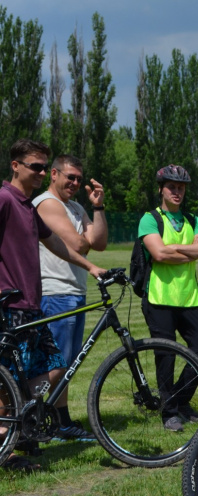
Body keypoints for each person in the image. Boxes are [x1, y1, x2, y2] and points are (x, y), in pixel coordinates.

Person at [0, 139, 105, 471]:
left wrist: (91, 267)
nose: (42, 172)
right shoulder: (4, 199)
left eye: (45, 166)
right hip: (9, 304)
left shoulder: (28, 206)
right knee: (7, 381)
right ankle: (8, 448)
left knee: (56, 367)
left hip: (32, 305)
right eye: (36, 166)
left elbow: (56, 243)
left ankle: (21, 428)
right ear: (15, 165)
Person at [32, 154, 108, 440]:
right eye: (69, 177)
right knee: (56, 363)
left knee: (67, 362)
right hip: (55, 292)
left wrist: (98, 206)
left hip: (74, 291)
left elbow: (98, 243)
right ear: (53, 174)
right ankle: (29, 413)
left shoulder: (75, 207)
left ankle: (60, 421)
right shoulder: (46, 204)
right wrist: (85, 240)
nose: (75, 183)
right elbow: (78, 243)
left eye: (79, 178)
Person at [138, 165, 198, 432]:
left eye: (181, 188)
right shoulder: (150, 219)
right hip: (160, 298)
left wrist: (177, 248)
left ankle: (181, 401)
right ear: (161, 189)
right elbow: (158, 254)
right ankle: (168, 411)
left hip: (190, 298)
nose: (177, 192)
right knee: (166, 356)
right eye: (172, 187)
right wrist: (191, 251)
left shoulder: (193, 220)